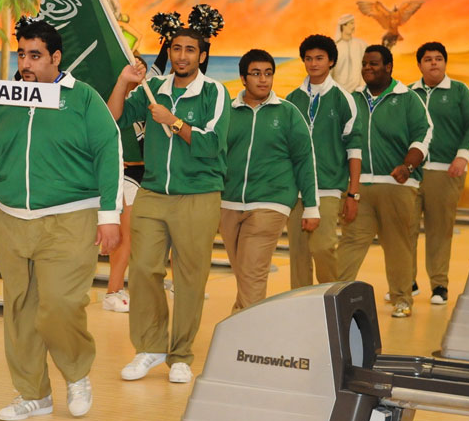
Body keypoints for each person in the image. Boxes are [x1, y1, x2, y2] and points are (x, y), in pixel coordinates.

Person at [0, 18, 121, 420]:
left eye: (35, 55)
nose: (26, 63)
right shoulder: (8, 98)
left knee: (60, 306)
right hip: (12, 219)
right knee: (20, 311)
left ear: (56, 58)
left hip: (70, 217)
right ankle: (33, 394)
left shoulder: (82, 98)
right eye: (21, 55)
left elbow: (109, 151)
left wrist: (110, 214)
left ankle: (77, 374)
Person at [108, 27, 229, 385]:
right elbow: (113, 118)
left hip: (198, 195)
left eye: (190, 50)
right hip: (153, 192)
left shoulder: (214, 92)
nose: (182, 56)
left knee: (190, 278)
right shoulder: (154, 88)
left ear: (201, 56)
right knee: (143, 270)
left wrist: (173, 122)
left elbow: (213, 145)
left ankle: (181, 355)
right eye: (176, 49)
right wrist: (124, 81)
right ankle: (150, 347)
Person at [335, 44, 432, 318]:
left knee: (398, 244)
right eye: (364, 64)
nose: (367, 68)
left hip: (397, 185)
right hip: (359, 185)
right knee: (351, 243)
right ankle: (334, 296)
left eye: (373, 64)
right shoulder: (353, 99)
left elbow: (423, 135)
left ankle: (402, 299)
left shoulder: (407, 98)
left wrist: (408, 166)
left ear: (388, 67)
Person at [221, 49, 319, 312]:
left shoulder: (287, 112)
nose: (263, 79)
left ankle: (246, 332)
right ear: (243, 78)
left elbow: (304, 159)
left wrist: (311, 206)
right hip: (229, 203)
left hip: (271, 202)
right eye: (256, 74)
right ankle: (245, 319)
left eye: (268, 73)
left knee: (252, 273)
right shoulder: (227, 111)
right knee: (244, 274)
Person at [286, 35, 361, 289]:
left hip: (328, 187)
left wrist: (353, 194)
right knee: (298, 255)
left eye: (319, 58)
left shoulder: (344, 99)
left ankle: (331, 297)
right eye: (308, 58)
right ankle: (299, 304)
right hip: (296, 189)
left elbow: (354, 150)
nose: (313, 63)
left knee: (323, 247)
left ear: (331, 61)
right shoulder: (292, 99)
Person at [408, 42, 469, 305]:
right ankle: (406, 283)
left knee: (439, 231)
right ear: (420, 65)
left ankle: (439, 286)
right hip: (411, 174)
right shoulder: (408, 93)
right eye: (428, 59)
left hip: (445, 171)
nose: (434, 63)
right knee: (404, 229)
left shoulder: (460, 91)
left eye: (438, 58)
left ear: (445, 63)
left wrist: (463, 155)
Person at [103, 55, 149, 313]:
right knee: (125, 237)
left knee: (134, 237)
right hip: (125, 174)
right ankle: (113, 291)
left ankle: (120, 288)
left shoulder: (146, 101)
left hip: (145, 176)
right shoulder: (115, 102)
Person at [331, 13, 366, 93]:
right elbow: (329, 71)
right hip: (339, 92)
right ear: (343, 26)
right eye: (351, 23)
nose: (353, 26)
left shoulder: (361, 45)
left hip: (358, 91)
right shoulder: (334, 47)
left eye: (354, 23)